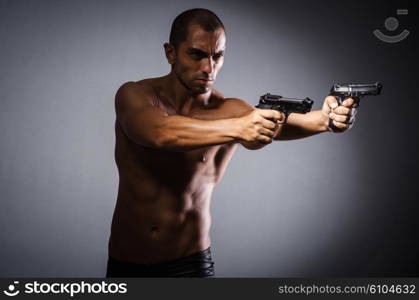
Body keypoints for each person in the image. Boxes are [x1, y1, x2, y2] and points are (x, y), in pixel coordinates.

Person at [106, 8, 358, 278]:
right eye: (197, 54)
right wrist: (239, 128)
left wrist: (331, 118)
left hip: (189, 265)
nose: (208, 68)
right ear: (170, 53)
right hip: (125, 265)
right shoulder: (134, 95)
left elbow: (298, 122)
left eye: (218, 56)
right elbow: (159, 132)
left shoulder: (231, 110)